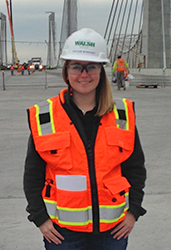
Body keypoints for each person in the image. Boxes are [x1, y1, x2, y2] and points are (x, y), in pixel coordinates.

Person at [24, 28, 146, 250]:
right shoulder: (45, 116)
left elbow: (135, 168)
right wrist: (40, 218)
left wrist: (134, 212)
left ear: (101, 70)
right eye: (76, 67)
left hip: (113, 231)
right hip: (63, 233)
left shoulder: (122, 114)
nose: (84, 74)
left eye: (91, 67)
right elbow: (33, 174)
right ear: (66, 71)